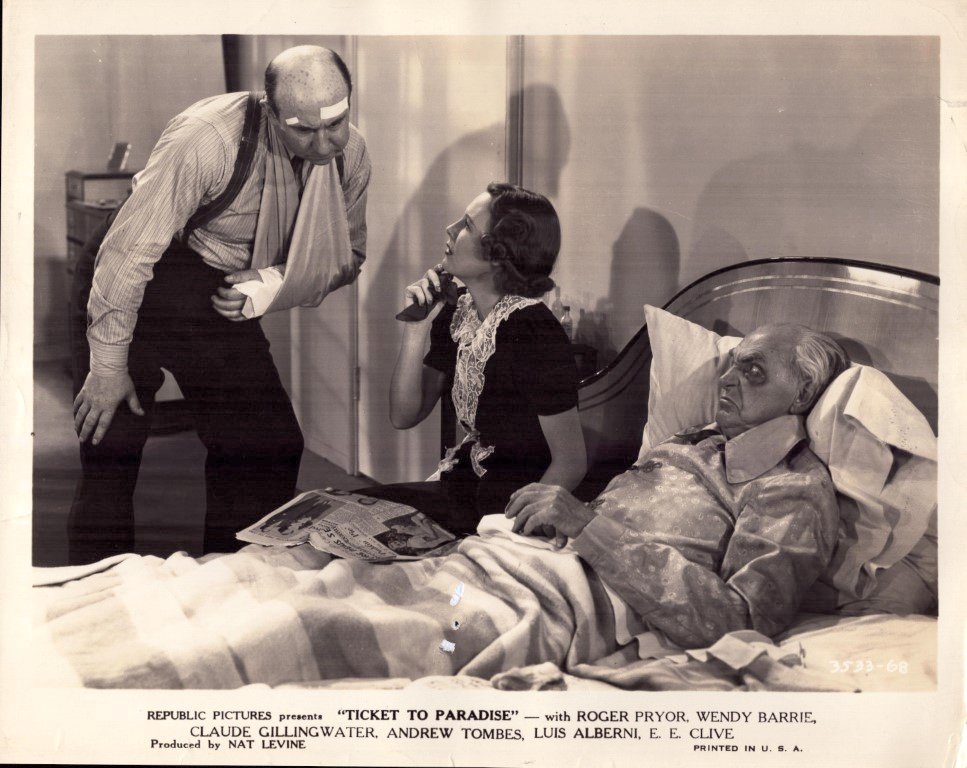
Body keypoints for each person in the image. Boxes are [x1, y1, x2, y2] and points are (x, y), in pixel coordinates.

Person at [68, 45, 372, 564]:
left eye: (336, 124)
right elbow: (128, 255)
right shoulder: (208, 138)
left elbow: (347, 256)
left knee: (268, 445)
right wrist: (108, 367)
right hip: (135, 270)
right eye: (303, 130)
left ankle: (235, 581)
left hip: (212, 288)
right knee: (111, 442)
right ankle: (97, 588)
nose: (324, 145)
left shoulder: (352, 154)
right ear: (270, 110)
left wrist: (272, 283)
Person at [505, 323, 851, 647]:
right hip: (538, 560)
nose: (726, 380)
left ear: (803, 393)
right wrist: (565, 522)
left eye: (753, 371)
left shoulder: (793, 486)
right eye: (732, 365)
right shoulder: (694, 437)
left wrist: (589, 528)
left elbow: (742, 619)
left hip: (583, 600)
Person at [363, 183, 587, 535]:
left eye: (466, 225)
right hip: (467, 486)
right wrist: (416, 329)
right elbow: (404, 415)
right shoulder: (459, 312)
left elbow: (571, 462)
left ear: (498, 253)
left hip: (509, 505)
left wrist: (508, 536)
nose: (450, 229)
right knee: (350, 511)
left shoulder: (533, 329)